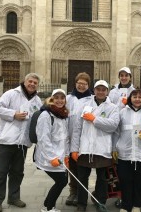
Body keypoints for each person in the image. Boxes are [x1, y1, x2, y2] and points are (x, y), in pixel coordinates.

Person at [0, 73, 42, 212]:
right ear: (24, 82)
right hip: (7, 140)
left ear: (38, 85)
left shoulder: (38, 101)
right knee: (0, 172)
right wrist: (13, 114)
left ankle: (13, 197)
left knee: (18, 172)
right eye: (30, 81)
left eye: (35, 83)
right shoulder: (11, 94)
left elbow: (39, 121)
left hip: (23, 142)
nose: (32, 84)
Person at [71, 80, 119, 212]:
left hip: (102, 148)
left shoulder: (113, 107)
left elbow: (113, 125)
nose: (101, 92)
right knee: (82, 177)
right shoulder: (85, 105)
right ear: (94, 90)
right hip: (85, 148)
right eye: (98, 89)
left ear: (107, 91)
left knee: (102, 178)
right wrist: (74, 149)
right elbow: (77, 128)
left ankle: (100, 201)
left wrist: (95, 119)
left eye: (104, 89)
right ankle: (81, 204)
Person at [34, 89, 70, 212]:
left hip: (60, 156)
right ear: (52, 99)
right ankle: (48, 208)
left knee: (62, 180)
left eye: (62, 98)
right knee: (62, 181)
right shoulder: (46, 115)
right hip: (49, 157)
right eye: (57, 98)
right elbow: (43, 139)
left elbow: (65, 138)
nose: (59, 100)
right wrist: (51, 158)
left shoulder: (64, 115)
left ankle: (47, 204)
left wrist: (66, 155)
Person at [108, 66, 135, 208]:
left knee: (127, 169)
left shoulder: (134, 92)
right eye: (122, 75)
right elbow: (109, 106)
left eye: (126, 75)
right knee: (115, 168)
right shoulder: (113, 92)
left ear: (130, 77)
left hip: (127, 131)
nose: (124, 78)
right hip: (114, 131)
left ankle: (129, 195)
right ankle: (117, 194)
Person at [65, 72, 93, 206]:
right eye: (79, 83)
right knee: (72, 166)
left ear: (88, 85)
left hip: (85, 139)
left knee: (82, 167)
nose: (81, 86)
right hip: (69, 138)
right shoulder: (67, 98)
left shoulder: (92, 99)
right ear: (75, 83)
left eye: (84, 84)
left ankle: (81, 193)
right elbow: (53, 107)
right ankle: (73, 191)